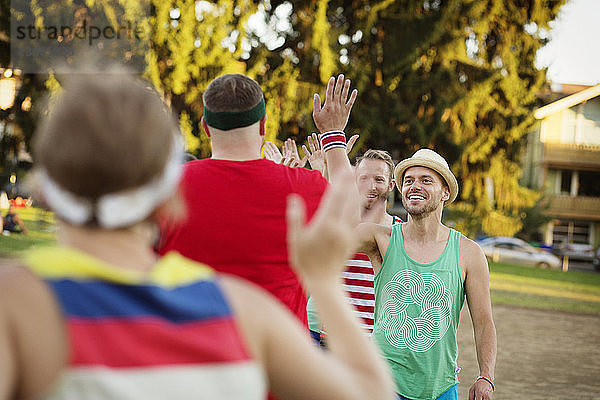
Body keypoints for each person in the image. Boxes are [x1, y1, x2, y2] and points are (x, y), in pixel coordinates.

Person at [0, 73, 396, 400]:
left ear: (46, 192)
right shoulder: (239, 310)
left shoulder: (16, 303)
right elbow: (370, 392)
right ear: (163, 202)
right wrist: (324, 282)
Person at [314, 75, 497, 400]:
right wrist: (333, 140)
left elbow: (483, 323)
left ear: (445, 193)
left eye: (426, 180)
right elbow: (336, 229)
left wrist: (486, 376)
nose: (414, 185)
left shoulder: (468, 253)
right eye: (409, 179)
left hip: (440, 388)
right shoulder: (380, 238)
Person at [157, 74, 331, 327]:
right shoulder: (306, 186)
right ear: (263, 125)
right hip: (280, 358)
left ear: (205, 127)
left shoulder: (165, 188)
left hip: (189, 352)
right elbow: (349, 215)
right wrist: (333, 135)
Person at [306, 148, 402, 343]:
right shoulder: (338, 221)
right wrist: (324, 171)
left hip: (373, 339)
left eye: (379, 179)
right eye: (364, 178)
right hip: (326, 337)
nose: (371, 186)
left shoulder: (400, 231)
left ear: (391, 184)